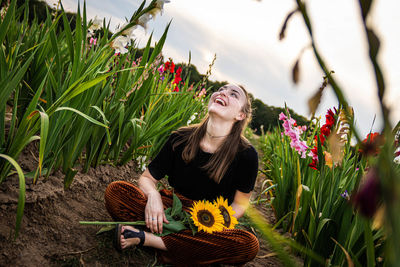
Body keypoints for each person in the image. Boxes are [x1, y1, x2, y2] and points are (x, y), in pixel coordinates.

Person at [104, 84, 260, 266]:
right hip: (170, 209)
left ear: (240, 115)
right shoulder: (180, 138)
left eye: (233, 94)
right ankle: (188, 249)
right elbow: (147, 178)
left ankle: (146, 239)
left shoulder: (247, 155)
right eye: (221, 89)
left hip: (210, 221)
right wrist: (153, 196)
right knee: (116, 192)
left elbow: (240, 203)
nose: (223, 93)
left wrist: (217, 222)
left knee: (248, 245)